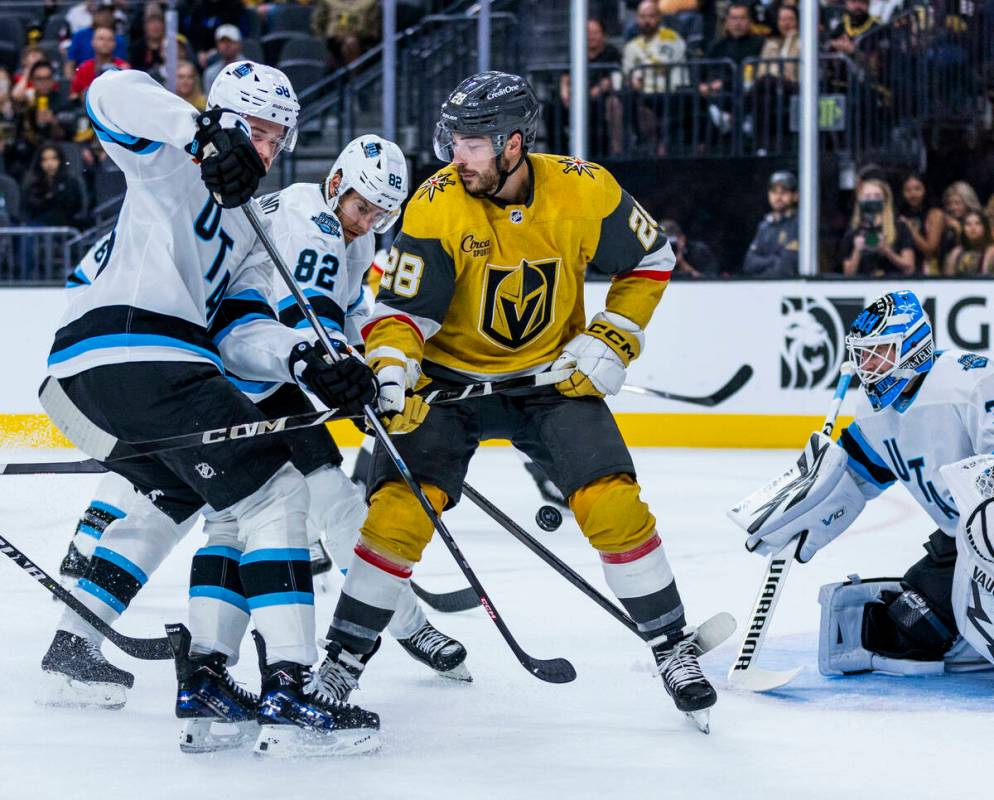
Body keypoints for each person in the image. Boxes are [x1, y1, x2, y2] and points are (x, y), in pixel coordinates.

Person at [312, 70, 721, 732]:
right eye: (453, 140)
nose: (457, 156)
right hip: (446, 384)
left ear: (513, 144)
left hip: (550, 381)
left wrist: (615, 336)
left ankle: (672, 647)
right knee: (395, 514)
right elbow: (401, 313)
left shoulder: (585, 190)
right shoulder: (435, 203)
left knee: (612, 503)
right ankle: (342, 663)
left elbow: (652, 259)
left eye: (473, 143)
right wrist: (391, 373)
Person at [48, 137, 470, 735]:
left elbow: (343, 320)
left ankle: (124, 650)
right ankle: (393, 630)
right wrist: (346, 378)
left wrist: (382, 370)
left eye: (381, 213)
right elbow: (311, 323)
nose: (367, 221)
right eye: (361, 206)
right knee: (327, 498)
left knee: (188, 511)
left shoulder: (349, 232)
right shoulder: (312, 219)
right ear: (336, 183)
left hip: (228, 372)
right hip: (249, 377)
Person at [39, 60, 382, 757]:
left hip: (93, 378)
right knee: (278, 491)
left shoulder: (254, 228)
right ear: (221, 115)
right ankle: (291, 688)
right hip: (136, 351)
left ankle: (169, 670)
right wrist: (198, 133)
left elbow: (242, 331)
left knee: (188, 498)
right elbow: (108, 91)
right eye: (252, 131)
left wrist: (307, 359)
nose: (263, 150)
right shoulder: (171, 155)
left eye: (275, 139)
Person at [736, 290, 992, 678]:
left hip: (987, 537)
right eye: (863, 354)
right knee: (909, 625)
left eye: (879, 352)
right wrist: (797, 509)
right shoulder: (875, 415)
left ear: (913, 345)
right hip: (958, 544)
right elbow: (849, 480)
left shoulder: (973, 382)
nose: (867, 365)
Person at [623, 0, 690, 155]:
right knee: (626, 98)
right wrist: (632, 80)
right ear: (637, 18)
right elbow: (628, 72)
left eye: (651, 16)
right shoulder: (631, 46)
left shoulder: (672, 38)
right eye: (642, 16)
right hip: (643, 93)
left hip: (669, 91)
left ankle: (666, 148)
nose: (647, 21)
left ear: (659, 17)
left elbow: (663, 65)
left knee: (676, 102)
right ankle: (638, 147)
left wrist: (641, 75)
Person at [555, 19, 624, 157]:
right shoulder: (577, 51)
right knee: (552, 109)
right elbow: (565, 76)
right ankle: (559, 153)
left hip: (600, 97)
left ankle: (613, 150)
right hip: (575, 98)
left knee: (611, 105)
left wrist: (593, 92)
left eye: (595, 32)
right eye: (588, 33)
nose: (591, 36)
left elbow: (613, 77)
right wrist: (564, 92)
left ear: (604, 35)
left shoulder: (611, 52)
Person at [699, 2, 764, 136]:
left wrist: (724, 83)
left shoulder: (759, 43)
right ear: (727, 22)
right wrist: (703, 85)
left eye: (742, 18)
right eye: (734, 18)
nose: (737, 23)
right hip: (717, 91)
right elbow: (702, 69)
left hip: (745, 89)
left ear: (750, 21)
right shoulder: (718, 46)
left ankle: (734, 120)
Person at [840, 177, 915, 276]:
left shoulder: (900, 227)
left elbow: (909, 268)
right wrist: (857, 250)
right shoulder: (853, 232)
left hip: (893, 286)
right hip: (864, 287)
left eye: (877, 196)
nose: (872, 200)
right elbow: (848, 274)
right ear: (860, 200)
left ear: (885, 200)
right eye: (867, 196)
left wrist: (886, 250)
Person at [742, 169, 799, 277]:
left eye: (783, 192)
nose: (778, 197)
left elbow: (786, 266)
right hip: (764, 288)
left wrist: (762, 272)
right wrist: (773, 260)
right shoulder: (765, 226)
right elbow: (749, 263)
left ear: (796, 196)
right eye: (774, 192)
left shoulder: (800, 224)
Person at [898, 172, 952, 276]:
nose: (912, 194)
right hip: (904, 270)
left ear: (925, 190)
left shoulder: (935, 214)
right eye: (908, 190)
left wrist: (909, 228)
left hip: (928, 270)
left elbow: (930, 250)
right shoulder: (900, 214)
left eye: (917, 189)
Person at [21, 143, 84, 227]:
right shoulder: (32, 184)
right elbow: (27, 209)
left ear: (60, 160)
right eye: (45, 160)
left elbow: (75, 207)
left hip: (65, 228)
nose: (49, 163)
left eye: (54, 158)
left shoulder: (70, 182)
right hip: (38, 229)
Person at [64, 0, 128, 79]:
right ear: (94, 15)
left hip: (112, 79)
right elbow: (70, 63)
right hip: (83, 77)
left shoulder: (118, 39)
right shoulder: (80, 35)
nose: (106, 16)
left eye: (109, 13)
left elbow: (122, 65)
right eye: (102, 13)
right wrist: (74, 81)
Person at [69, 24, 129, 98]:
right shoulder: (83, 68)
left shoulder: (124, 68)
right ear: (93, 42)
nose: (105, 42)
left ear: (115, 44)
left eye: (110, 39)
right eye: (101, 39)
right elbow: (74, 95)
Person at [944, 210, 994, 276]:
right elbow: (948, 280)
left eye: (978, 224)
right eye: (968, 224)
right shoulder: (956, 252)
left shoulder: (991, 251)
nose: (972, 228)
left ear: (985, 227)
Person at [202, 24, 243, 93]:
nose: (227, 45)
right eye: (222, 42)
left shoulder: (250, 68)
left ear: (239, 44)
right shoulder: (210, 73)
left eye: (231, 41)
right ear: (217, 45)